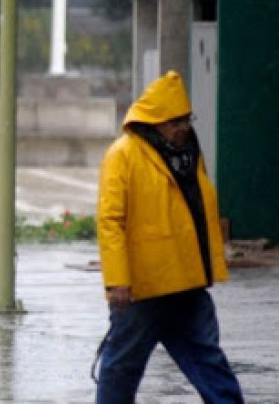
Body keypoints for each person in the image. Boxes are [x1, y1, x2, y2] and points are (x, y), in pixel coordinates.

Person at [95, 71, 243, 403]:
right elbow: (111, 221)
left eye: (185, 119)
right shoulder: (123, 155)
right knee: (121, 369)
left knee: (208, 361)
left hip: (186, 282)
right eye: (174, 122)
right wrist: (117, 281)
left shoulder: (188, 152)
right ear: (155, 121)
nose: (182, 128)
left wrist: (208, 267)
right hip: (142, 288)